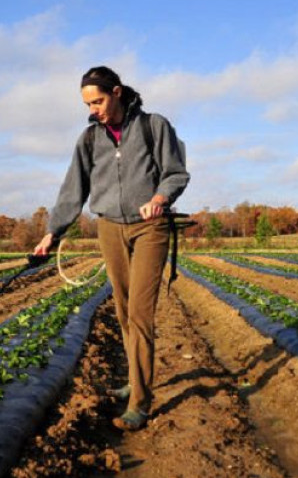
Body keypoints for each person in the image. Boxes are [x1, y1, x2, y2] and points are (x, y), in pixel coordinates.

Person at [33, 66, 190, 431]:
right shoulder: (90, 138)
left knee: (139, 313)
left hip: (150, 227)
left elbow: (175, 173)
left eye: (99, 101)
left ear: (117, 92)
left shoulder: (153, 126)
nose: (94, 110)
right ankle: (135, 379)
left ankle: (140, 402)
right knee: (122, 309)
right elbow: (73, 189)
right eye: (88, 104)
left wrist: (159, 198)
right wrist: (52, 233)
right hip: (109, 228)